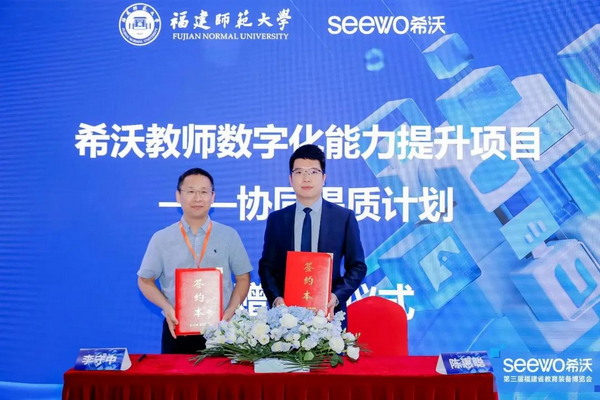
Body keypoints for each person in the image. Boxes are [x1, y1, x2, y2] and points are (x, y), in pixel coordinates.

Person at [137, 168, 252, 354]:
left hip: (222, 330)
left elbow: (243, 277)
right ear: (178, 196)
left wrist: (231, 309)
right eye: (191, 191)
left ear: (213, 197)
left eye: (204, 192)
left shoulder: (229, 235)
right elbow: (144, 280)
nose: (197, 198)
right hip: (177, 329)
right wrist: (167, 307)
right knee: (176, 375)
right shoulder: (162, 238)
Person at [259, 144, 367, 319]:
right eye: (299, 172)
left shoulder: (343, 218)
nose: (306, 178)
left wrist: (336, 296)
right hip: (285, 318)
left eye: (313, 172)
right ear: (290, 179)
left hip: (328, 315)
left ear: (324, 178)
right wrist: (277, 299)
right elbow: (267, 267)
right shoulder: (277, 219)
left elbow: (357, 266)